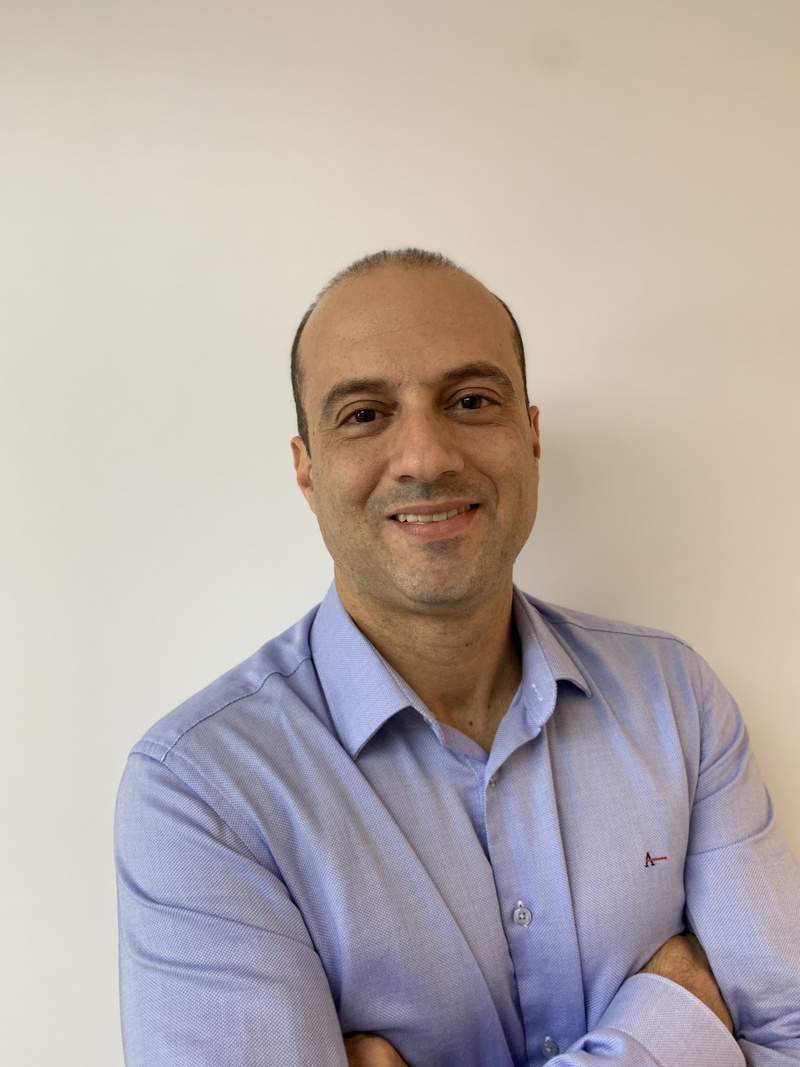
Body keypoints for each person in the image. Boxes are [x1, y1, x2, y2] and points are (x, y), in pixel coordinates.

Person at [115, 249, 800, 1067]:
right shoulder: (202, 792)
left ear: (530, 434)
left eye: (471, 400)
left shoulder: (676, 698)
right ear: (306, 470)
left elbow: (789, 1035)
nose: (428, 456)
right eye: (364, 414)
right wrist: (673, 1018)